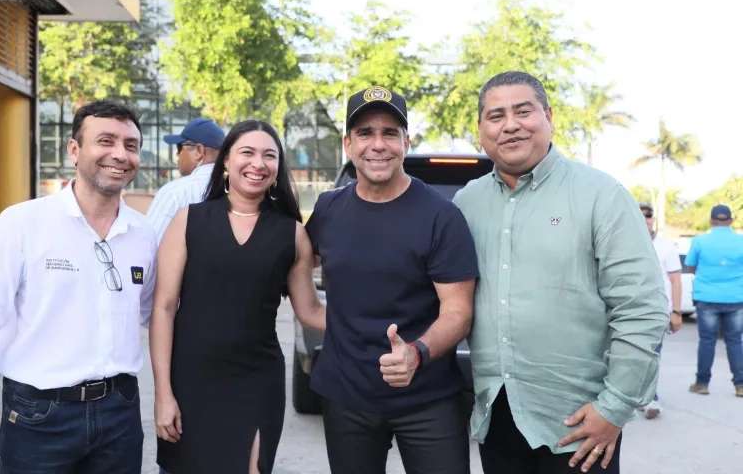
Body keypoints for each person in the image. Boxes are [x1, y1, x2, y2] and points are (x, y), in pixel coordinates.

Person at [452, 71, 668, 474]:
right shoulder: (467, 202)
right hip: (496, 417)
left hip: (580, 426)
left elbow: (642, 308)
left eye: (523, 111)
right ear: (481, 130)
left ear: (548, 116)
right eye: (496, 115)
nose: (510, 124)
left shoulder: (601, 195)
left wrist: (615, 408)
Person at [0, 100, 157, 473]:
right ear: (73, 150)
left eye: (131, 145)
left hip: (120, 414)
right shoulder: (23, 223)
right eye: (105, 140)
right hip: (37, 417)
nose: (119, 154)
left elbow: (153, 314)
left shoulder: (144, 234)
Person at [304, 86, 479, 474]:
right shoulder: (329, 209)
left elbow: (458, 312)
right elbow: (292, 259)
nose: (377, 145)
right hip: (346, 398)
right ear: (348, 144)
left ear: (406, 141)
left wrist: (416, 352)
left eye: (389, 133)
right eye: (365, 133)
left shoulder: (441, 216)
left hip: (427, 399)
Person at [149, 119, 326, 474]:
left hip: (257, 382)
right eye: (247, 152)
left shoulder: (292, 234)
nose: (258, 163)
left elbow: (309, 312)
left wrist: (371, 319)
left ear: (278, 168)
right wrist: (163, 394)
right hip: (191, 381)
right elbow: (164, 308)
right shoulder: (189, 219)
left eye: (269, 155)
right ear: (226, 161)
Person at [683, 204, 743, 398]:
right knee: (735, 341)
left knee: (707, 341)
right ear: (731, 221)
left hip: (707, 297)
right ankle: (740, 385)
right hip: (736, 298)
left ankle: (702, 383)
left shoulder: (700, 241)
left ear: (711, 221)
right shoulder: (741, 242)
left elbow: (690, 266)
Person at [145, 118, 225, 241]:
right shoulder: (237, 190)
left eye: (179, 147)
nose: (177, 154)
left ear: (199, 151)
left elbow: (148, 246)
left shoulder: (174, 192)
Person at [638, 202, 684, 419]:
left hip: (656, 312)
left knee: (651, 356)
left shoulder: (666, 246)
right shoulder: (622, 240)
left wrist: (676, 311)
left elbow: (675, 280)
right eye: (640, 215)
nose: (645, 219)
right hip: (622, 311)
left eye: (648, 215)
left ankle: (651, 399)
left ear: (653, 219)